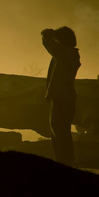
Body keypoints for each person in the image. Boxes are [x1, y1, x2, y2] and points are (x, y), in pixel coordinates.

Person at [42, 27, 80, 166]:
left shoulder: (66, 54)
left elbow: (49, 43)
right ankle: (67, 160)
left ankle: (64, 161)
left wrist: (47, 34)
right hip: (66, 98)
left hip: (61, 98)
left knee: (58, 131)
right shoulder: (70, 54)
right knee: (62, 131)